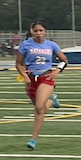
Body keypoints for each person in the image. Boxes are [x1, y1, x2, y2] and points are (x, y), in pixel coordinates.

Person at [16, 21, 67, 150]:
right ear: (31, 32)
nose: (38, 33)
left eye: (41, 31)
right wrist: (25, 77)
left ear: (45, 32)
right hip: (31, 79)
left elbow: (64, 60)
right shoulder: (25, 45)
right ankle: (51, 100)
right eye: (36, 31)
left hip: (46, 77)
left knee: (38, 109)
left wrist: (57, 70)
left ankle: (33, 139)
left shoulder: (51, 45)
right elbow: (18, 64)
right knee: (41, 108)